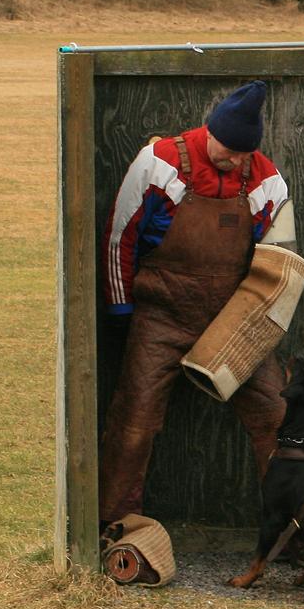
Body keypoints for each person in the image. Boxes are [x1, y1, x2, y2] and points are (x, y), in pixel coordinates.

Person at [98, 80, 289, 534]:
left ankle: (294, 530)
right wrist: (122, 311)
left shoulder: (267, 180)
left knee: (278, 415)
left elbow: (279, 260)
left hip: (232, 318)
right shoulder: (159, 161)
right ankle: (113, 528)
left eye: (245, 154)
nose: (237, 161)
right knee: (135, 420)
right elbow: (120, 236)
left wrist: (260, 322)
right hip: (160, 313)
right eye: (230, 151)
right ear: (211, 132)